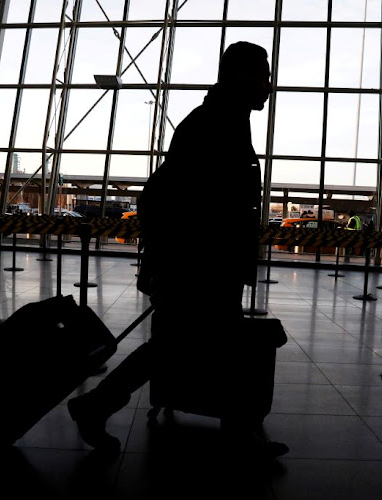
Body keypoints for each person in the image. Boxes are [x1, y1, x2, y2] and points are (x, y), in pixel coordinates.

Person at [66, 41, 287, 460]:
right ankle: (238, 434)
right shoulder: (214, 125)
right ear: (239, 76)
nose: (268, 85)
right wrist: (167, 266)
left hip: (206, 265)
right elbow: (162, 199)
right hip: (200, 267)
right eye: (263, 75)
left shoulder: (224, 120)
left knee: (180, 348)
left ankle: (96, 405)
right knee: (199, 348)